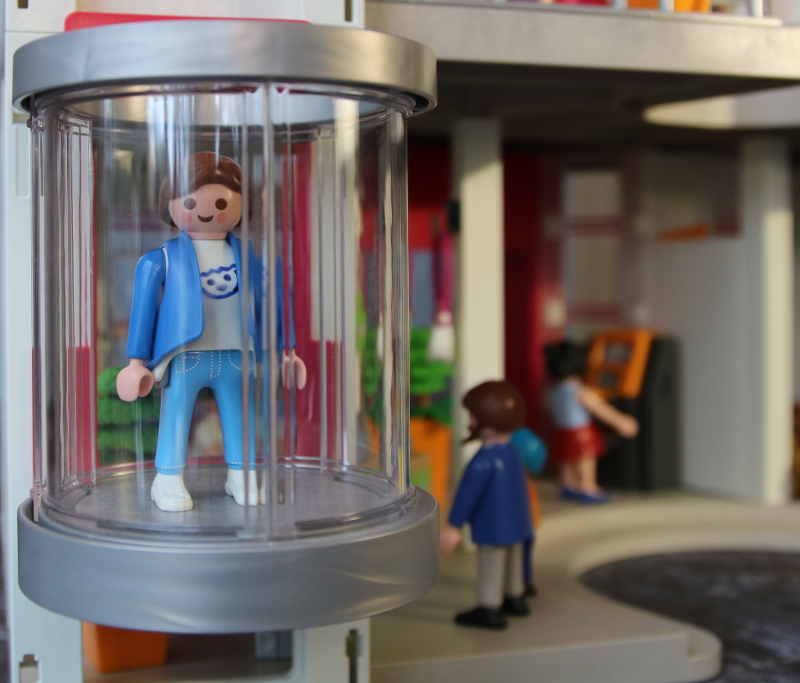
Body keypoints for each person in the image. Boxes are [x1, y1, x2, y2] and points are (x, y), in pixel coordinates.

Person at [116, 152, 306, 512]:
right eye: (190, 202)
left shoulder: (249, 257)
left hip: (237, 353)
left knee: (240, 415)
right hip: (185, 354)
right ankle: (167, 479)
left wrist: (287, 350)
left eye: (222, 203)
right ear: (170, 205)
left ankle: (242, 473)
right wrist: (135, 362)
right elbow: (143, 309)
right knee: (176, 413)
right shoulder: (163, 258)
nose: (208, 211)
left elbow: (275, 300)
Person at [440, 380, 533, 630]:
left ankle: (489, 607)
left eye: (473, 416)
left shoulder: (483, 461)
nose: (470, 422)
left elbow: (466, 496)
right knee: (512, 562)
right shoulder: (513, 454)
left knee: (492, 565)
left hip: (493, 527)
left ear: (487, 420)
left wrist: (454, 525)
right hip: (517, 525)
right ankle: (515, 597)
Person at [544, 340, 638, 504]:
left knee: (566, 459)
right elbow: (601, 409)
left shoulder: (553, 391)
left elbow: (549, 411)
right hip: (581, 433)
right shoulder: (580, 391)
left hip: (561, 432)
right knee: (585, 459)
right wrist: (621, 422)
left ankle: (569, 485)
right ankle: (588, 488)